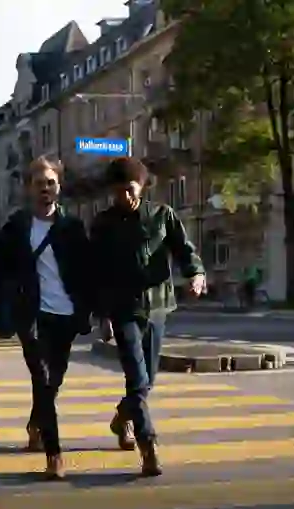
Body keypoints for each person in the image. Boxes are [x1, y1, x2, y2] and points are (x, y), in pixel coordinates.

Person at [0, 156, 92, 479]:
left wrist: (97, 310)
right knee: (41, 378)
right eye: (39, 183)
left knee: (53, 381)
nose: (45, 189)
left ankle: (35, 422)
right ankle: (54, 454)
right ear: (29, 188)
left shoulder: (72, 227)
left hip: (65, 315)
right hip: (32, 315)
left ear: (59, 186)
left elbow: (87, 273)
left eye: (50, 183)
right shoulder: (17, 227)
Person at [90, 157, 206, 476]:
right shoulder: (103, 224)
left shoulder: (161, 216)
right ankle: (148, 445)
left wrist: (195, 274)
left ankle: (121, 418)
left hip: (157, 307)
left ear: (141, 187)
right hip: (123, 308)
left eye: (129, 190)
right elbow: (97, 273)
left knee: (147, 382)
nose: (124, 197)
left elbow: (185, 250)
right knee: (137, 379)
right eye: (117, 192)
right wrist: (102, 315)